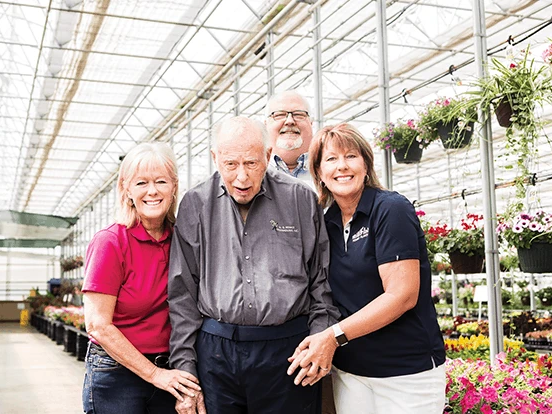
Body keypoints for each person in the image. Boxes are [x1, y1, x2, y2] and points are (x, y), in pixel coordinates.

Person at [168, 116, 340, 414]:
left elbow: (321, 282)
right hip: (216, 354)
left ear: (267, 154)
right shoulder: (195, 204)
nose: (242, 178)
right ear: (215, 158)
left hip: (288, 352)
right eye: (231, 164)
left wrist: (320, 340)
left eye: (251, 163)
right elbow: (182, 294)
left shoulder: (300, 200)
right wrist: (185, 368)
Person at [289, 123, 446, 413]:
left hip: (406, 373)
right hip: (352, 374)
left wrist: (332, 336)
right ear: (319, 173)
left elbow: (402, 295)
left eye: (351, 156)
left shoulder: (390, 209)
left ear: (365, 164)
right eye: (331, 159)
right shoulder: (327, 222)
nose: (342, 166)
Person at [81, 142, 202, 414]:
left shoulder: (183, 239)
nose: (152, 191)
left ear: (174, 187)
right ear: (126, 189)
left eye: (161, 181)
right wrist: (154, 374)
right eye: (141, 183)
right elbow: (98, 325)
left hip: (171, 369)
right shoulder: (110, 243)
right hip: (117, 373)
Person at [265, 90, 315, 187]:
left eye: (299, 114)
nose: (289, 121)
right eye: (279, 115)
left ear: (311, 123)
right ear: (266, 125)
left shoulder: (330, 170)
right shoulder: (252, 173)